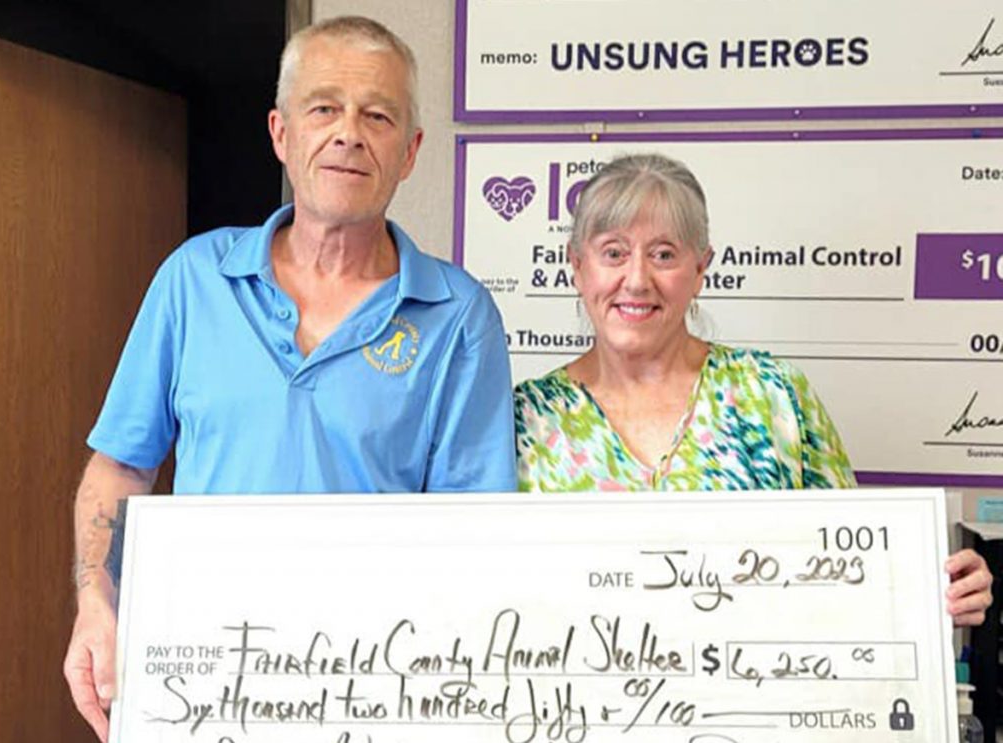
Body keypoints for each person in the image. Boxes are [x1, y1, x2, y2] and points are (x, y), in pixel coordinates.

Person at [63, 16, 516, 741]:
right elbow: (120, 466)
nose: (349, 134)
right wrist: (97, 604)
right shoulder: (193, 279)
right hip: (198, 674)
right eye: (324, 108)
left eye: (378, 116)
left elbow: (473, 531)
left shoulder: (459, 315)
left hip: (377, 686)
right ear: (281, 132)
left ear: (410, 152)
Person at [514, 153, 993, 622]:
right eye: (614, 253)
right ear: (577, 266)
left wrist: (936, 591)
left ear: (701, 268)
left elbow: (855, 568)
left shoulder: (773, 395)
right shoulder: (526, 420)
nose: (637, 280)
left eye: (663, 254)